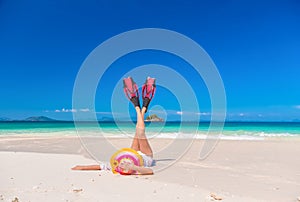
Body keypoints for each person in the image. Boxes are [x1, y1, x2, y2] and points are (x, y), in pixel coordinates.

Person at [72, 77, 156, 175]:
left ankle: (138, 105)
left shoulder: (115, 165)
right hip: (145, 156)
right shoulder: (134, 169)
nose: (123, 163)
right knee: (140, 132)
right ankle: (141, 108)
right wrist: (133, 167)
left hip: (132, 152)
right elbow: (150, 171)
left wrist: (82, 168)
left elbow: (100, 166)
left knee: (137, 131)